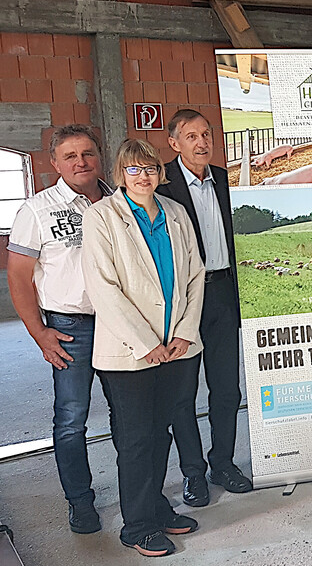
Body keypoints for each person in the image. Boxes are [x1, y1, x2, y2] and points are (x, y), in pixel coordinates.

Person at [82, 139, 205, 556]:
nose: (143, 176)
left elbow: (195, 275)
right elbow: (104, 288)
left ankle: (156, 506)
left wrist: (185, 332)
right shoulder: (102, 217)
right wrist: (147, 343)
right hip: (129, 352)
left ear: (160, 172)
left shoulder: (176, 213)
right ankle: (137, 526)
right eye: (134, 170)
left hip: (177, 346)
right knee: (136, 440)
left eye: (150, 168)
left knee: (163, 432)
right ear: (120, 174)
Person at [7, 125, 111, 534]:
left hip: (120, 324)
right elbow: (18, 278)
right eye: (70, 156)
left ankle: (141, 493)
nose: (80, 162)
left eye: (86, 153)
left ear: (98, 156)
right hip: (70, 327)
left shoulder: (121, 201)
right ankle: (80, 502)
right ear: (54, 163)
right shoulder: (37, 210)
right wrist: (39, 332)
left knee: (131, 415)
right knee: (71, 419)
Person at [156, 109, 251, 507]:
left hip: (226, 293)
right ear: (174, 143)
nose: (202, 142)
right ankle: (193, 473)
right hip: (183, 301)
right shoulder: (159, 184)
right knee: (182, 393)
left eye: (207, 134)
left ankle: (223, 463)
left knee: (226, 387)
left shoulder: (227, 182)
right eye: (191, 136)